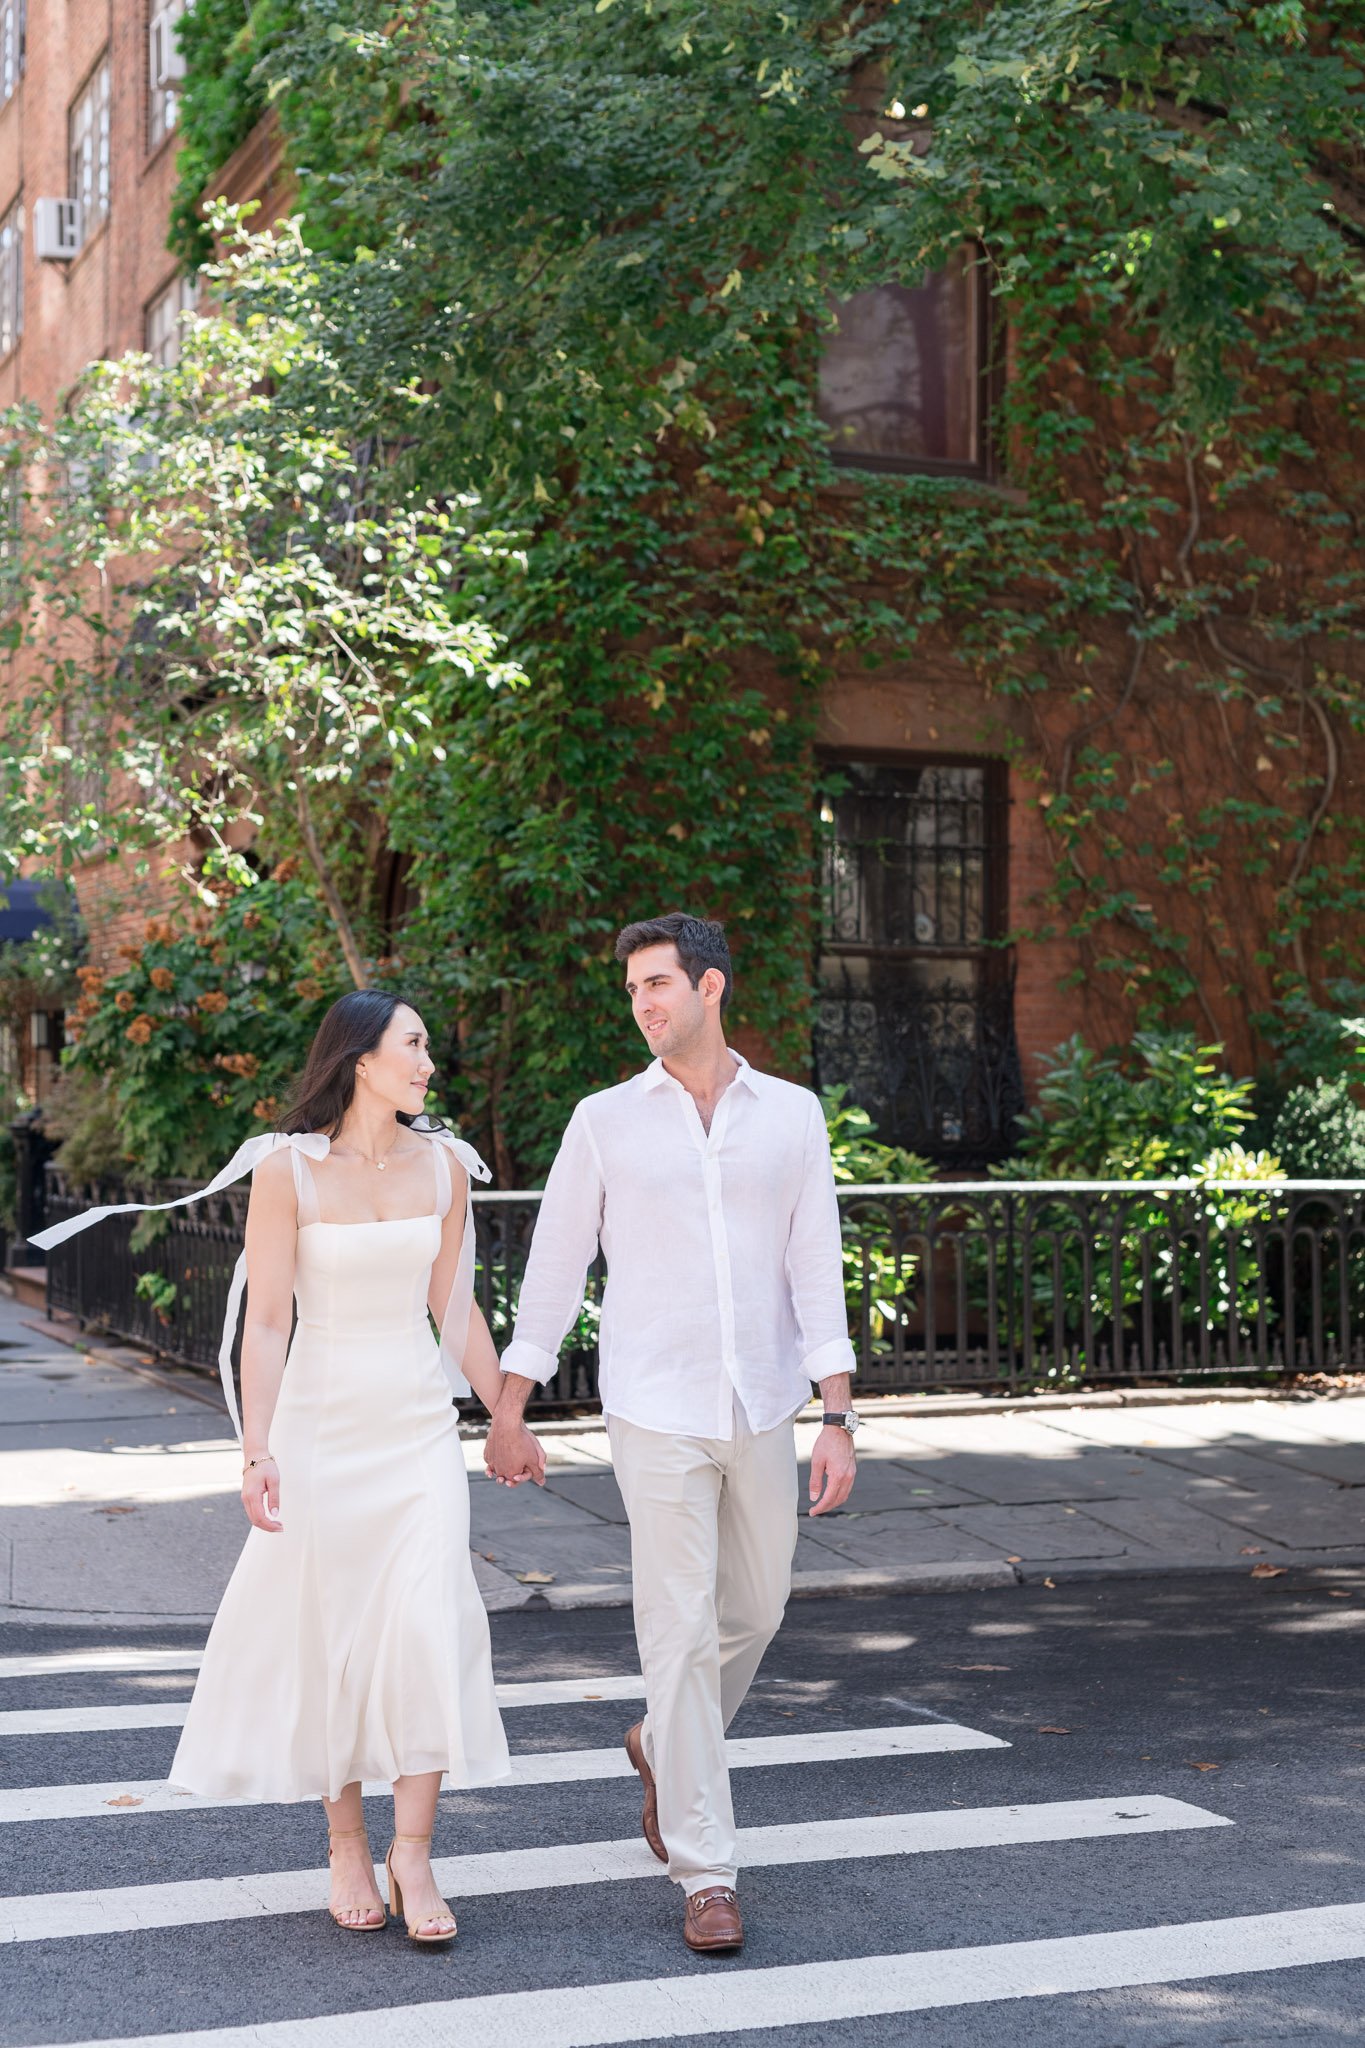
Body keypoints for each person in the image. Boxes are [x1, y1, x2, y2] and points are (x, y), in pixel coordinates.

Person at [35, 989, 545, 1943]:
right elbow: (266, 1323)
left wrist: (506, 1415)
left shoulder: (444, 1167)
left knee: (427, 1624)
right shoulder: (289, 1174)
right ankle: (346, 1843)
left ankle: (416, 1853)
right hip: (320, 1431)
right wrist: (257, 1449)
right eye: (415, 1044)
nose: (430, 1061)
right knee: (334, 1636)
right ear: (361, 1060)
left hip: (416, 1428)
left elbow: (457, 1309)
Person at [486, 912, 858, 1954]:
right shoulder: (605, 1120)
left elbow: (814, 1266)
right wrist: (513, 1400)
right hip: (655, 1407)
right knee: (680, 1632)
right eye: (634, 989)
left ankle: (657, 1738)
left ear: (711, 986)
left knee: (759, 1604)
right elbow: (555, 1268)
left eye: (659, 983)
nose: (645, 1003)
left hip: (766, 1402)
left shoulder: (791, 1116)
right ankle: (707, 1870)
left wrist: (837, 1411)